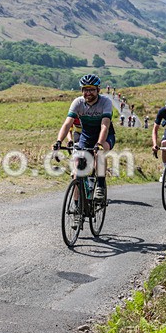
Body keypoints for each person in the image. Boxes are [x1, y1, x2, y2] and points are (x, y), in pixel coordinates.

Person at [53, 74, 115, 225]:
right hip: (86, 136)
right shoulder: (78, 102)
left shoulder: (105, 102)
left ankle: (100, 185)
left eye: (92, 90)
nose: (88, 93)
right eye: (85, 90)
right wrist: (58, 141)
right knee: (77, 171)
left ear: (98, 90)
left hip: (105, 135)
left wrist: (99, 143)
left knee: (100, 153)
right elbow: (67, 124)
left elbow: (105, 126)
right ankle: (77, 208)